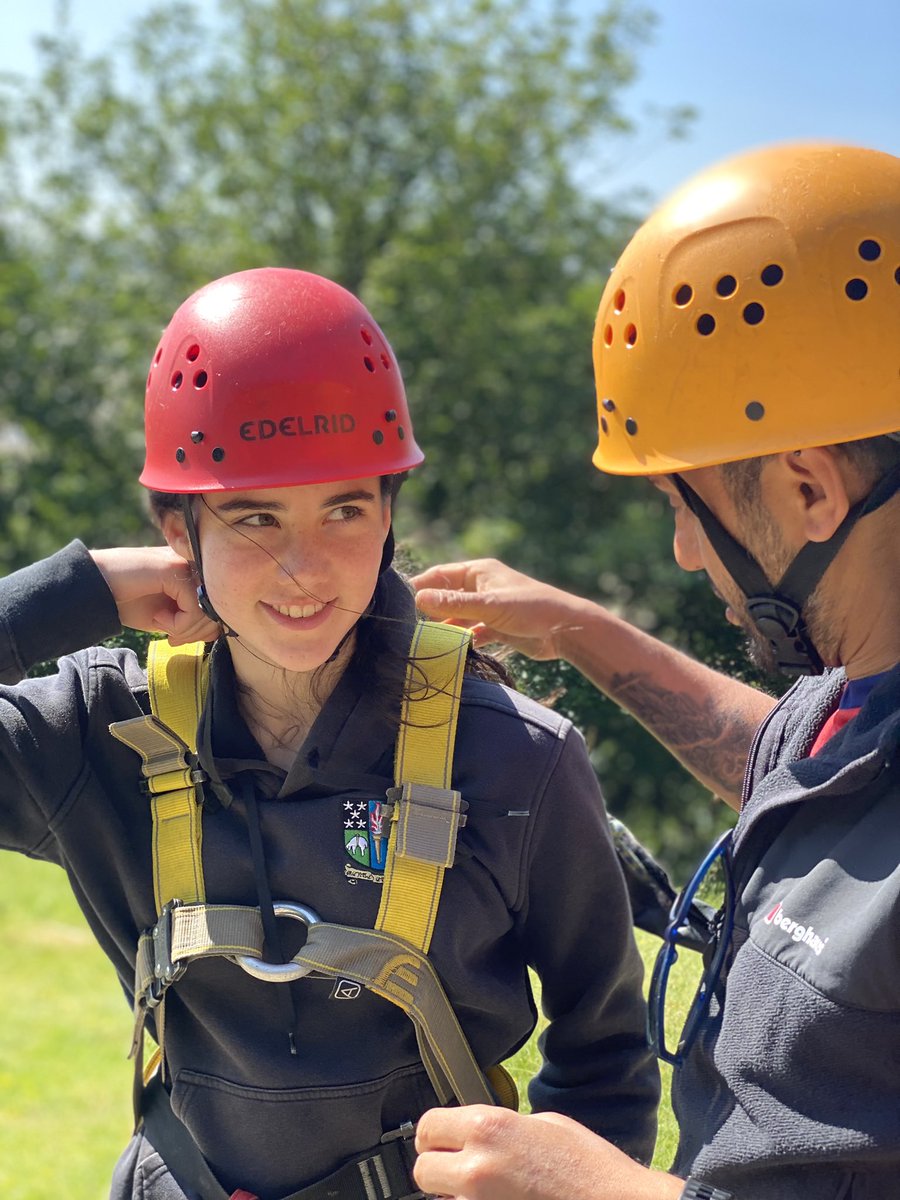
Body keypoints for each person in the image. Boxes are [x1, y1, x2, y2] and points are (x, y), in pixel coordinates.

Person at [0, 267, 659, 1200]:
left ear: (390, 514)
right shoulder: (103, 732)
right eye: (253, 516)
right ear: (177, 526)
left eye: (343, 509)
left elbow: (606, 1062)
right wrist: (79, 592)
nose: (302, 570)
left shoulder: (517, 758)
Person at [410, 142, 900, 1200]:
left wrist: (596, 1188)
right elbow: (793, 777)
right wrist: (581, 630)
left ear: (811, 490)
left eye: (688, 507)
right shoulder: (847, 703)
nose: (683, 551)